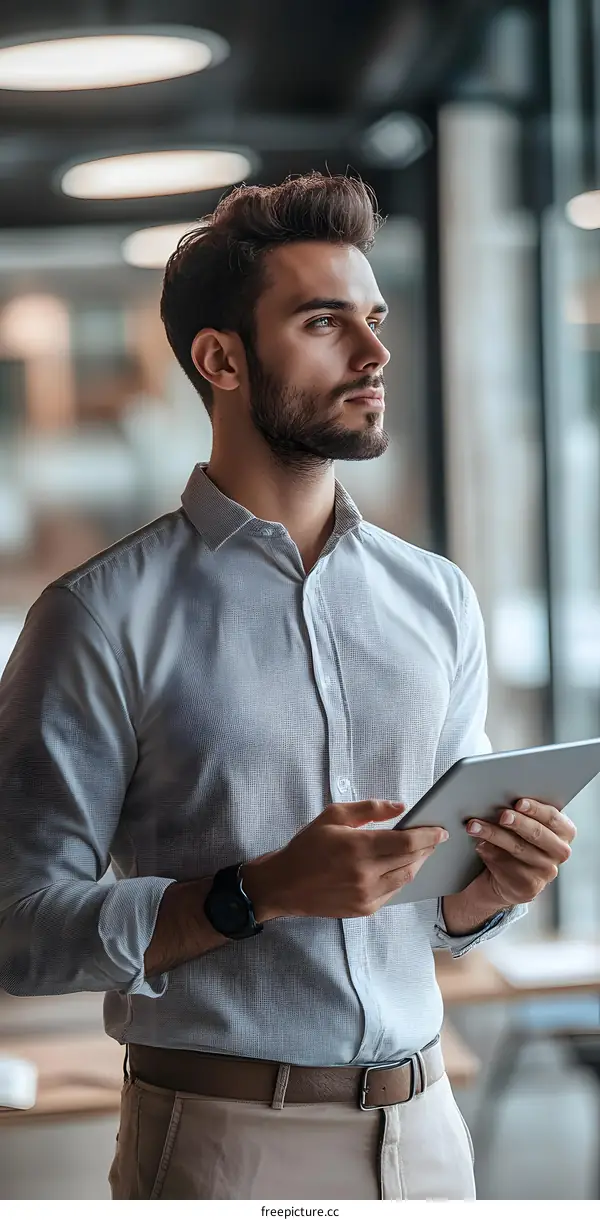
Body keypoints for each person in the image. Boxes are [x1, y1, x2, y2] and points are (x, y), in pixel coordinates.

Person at [0, 173, 575, 1201]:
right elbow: (19, 925)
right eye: (324, 321)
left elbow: (431, 896)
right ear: (221, 359)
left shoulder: (438, 597)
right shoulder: (94, 615)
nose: (374, 353)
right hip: (225, 1144)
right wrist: (253, 893)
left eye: (374, 317)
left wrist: (486, 891)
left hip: (430, 1132)